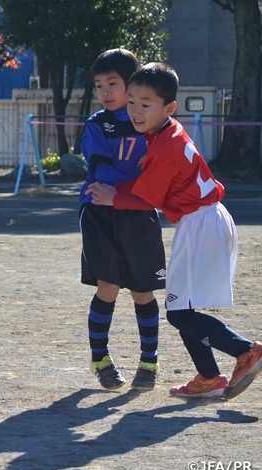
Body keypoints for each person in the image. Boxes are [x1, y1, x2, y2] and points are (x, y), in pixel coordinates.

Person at [87, 62, 262, 399]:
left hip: (201, 226)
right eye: (132, 102)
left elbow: (143, 200)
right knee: (181, 307)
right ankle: (208, 376)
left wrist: (112, 197)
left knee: (179, 312)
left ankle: (245, 350)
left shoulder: (162, 148)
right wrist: (148, 162)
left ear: (168, 108)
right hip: (206, 220)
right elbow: (163, 170)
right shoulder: (168, 131)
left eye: (145, 104)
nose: (136, 111)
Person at [79, 49, 166, 391]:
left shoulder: (152, 124)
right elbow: (100, 170)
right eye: (99, 84)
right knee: (109, 287)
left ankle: (149, 361)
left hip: (138, 211)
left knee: (143, 291)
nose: (105, 91)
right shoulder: (97, 123)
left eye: (112, 83)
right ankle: (99, 358)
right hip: (99, 211)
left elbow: (159, 172)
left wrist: (133, 190)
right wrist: (136, 183)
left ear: (132, 83)